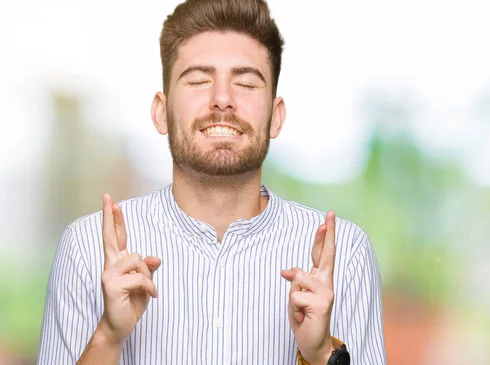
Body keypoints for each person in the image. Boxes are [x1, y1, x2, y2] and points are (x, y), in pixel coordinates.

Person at [37, 0, 387, 364]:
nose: (222, 99)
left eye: (247, 83)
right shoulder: (86, 250)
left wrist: (320, 354)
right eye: (199, 80)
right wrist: (108, 338)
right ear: (161, 112)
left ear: (276, 117)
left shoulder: (345, 256)